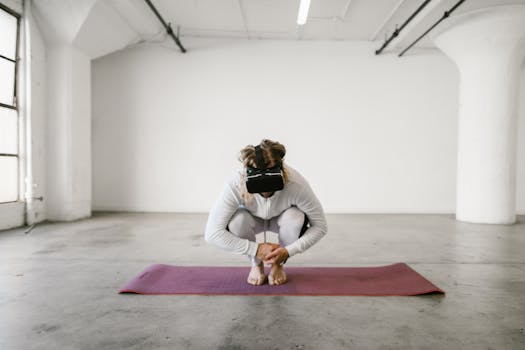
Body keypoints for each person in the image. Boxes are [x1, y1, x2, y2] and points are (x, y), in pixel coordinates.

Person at [205, 139, 327, 286]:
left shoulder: (296, 184)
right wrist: (256, 250)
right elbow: (212, 233)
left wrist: (288, 251)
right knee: (237, 220)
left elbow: (320, 226)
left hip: (282, 219)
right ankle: (256, 264)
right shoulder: (236, 183)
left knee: (295, 217)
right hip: (251, 220)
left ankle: (277, 264)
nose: (265, 191)